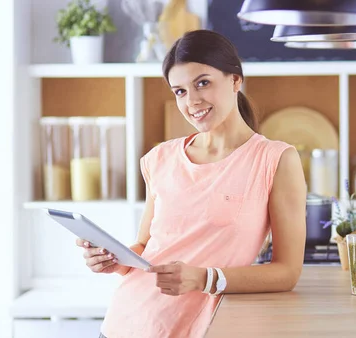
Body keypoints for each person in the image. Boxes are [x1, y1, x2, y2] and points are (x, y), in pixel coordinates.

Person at [75, 29, 307, 338]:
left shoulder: (275, 160)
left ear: (235, 80)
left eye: (203, 83)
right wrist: (113, 260)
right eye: (180, 91)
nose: (192, 101)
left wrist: (204, 278)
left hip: (193, 330)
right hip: (123, 323)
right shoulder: (160, 158)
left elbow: (287, 272)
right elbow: (146, 246)